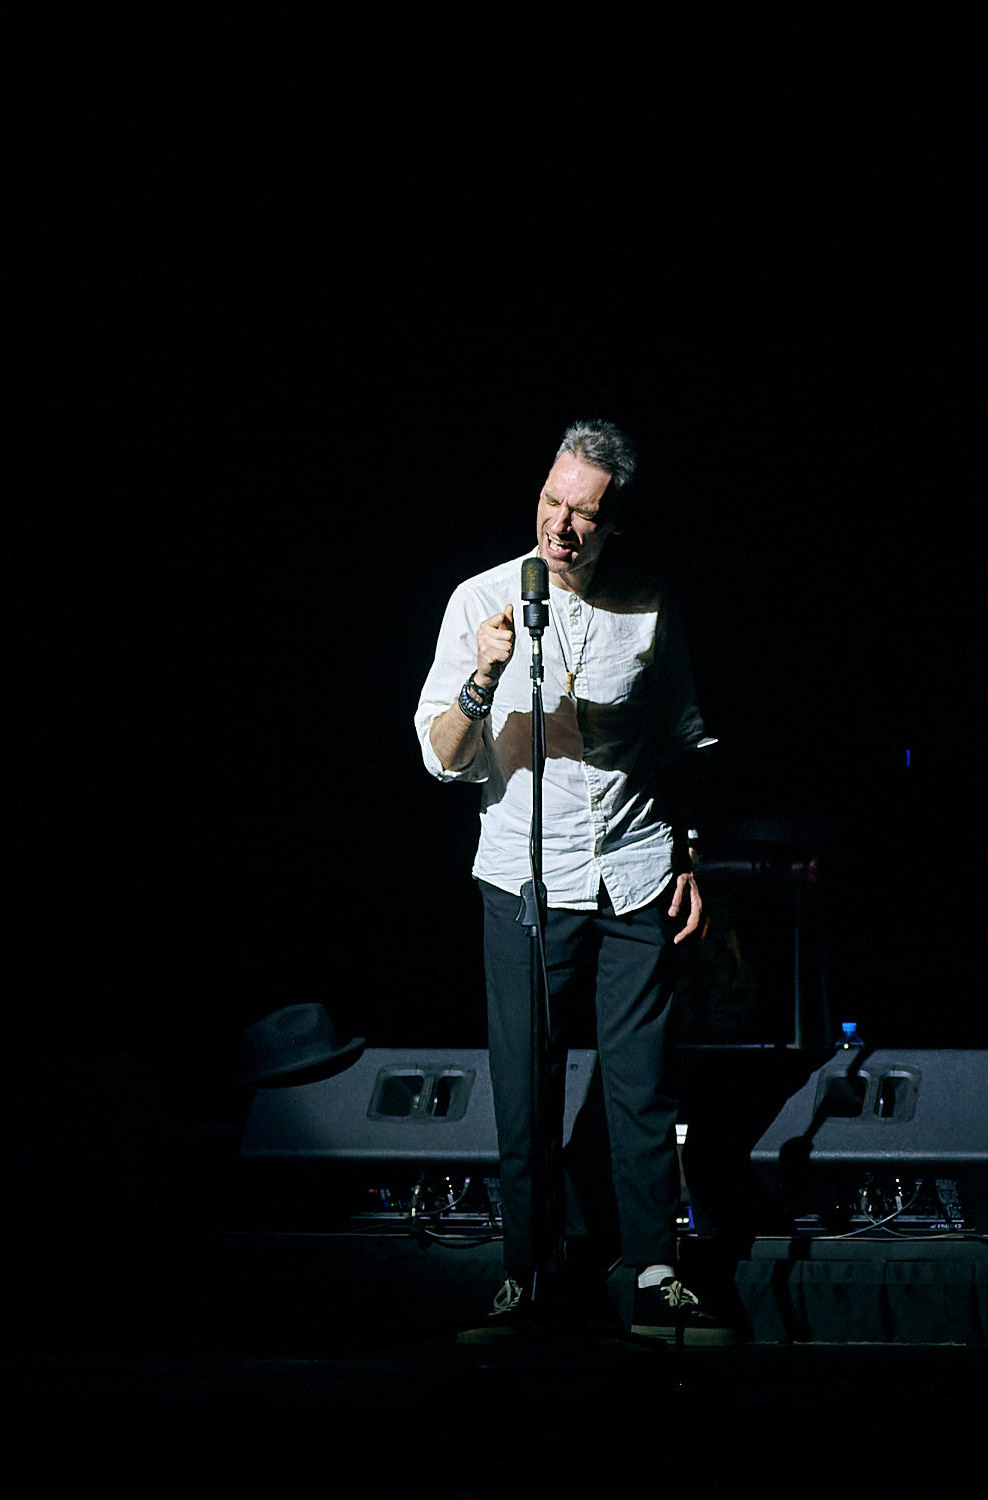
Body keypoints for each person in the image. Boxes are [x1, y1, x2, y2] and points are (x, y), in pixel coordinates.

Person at [414, 418, 727, 1342]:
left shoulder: (653, 604)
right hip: (522, 877)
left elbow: (683, 740)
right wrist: (483, 681)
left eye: (583, 513)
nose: (561, 527)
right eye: (552, 502)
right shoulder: (479, 599)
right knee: (526, 1084)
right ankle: (527, 1274)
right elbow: (439, 757)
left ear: (613, 522)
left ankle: (654, 1269)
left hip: (634, 866)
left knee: (642, 1083)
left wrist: (693, 857)